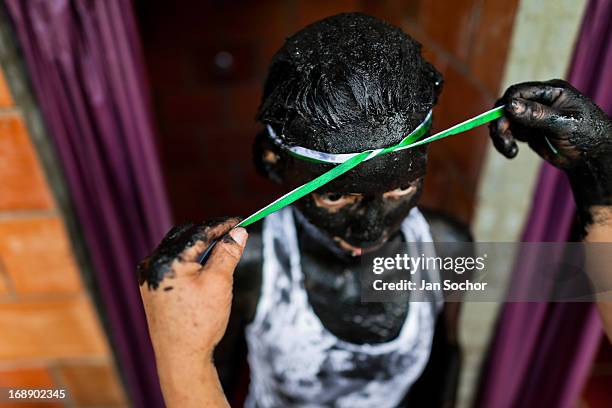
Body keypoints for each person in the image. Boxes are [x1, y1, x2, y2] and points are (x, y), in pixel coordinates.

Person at [138, 13, 612, 408]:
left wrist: (601, 176)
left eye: (402, 186)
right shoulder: (247, 269)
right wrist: (185, 359)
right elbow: (221, 376)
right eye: (334, 195)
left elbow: (445, 359)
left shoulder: (445, 247)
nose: (371, 231)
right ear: (272, 162)